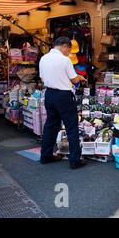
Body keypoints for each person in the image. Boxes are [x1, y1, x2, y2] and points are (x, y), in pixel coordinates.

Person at [39, 36, 88, 169]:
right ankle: (74, 161)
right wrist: (80, 77)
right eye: (69, 50)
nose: (69, 53)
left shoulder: (43, 58)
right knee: (72, 128)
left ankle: (46, 156)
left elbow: (43, 78)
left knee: (50, 126)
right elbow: (74, 80)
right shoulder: (64, 60)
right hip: (64, 96)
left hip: (49, 94)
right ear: (64, 46)